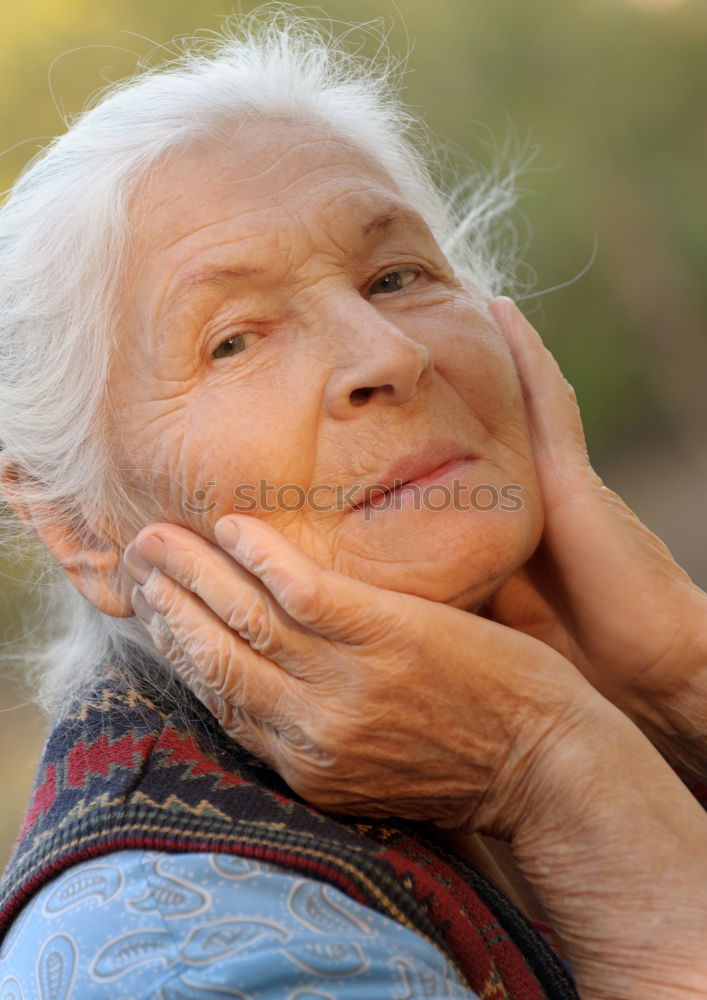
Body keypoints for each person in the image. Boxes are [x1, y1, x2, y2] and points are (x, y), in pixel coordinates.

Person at [0, 11, 706, 999]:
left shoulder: (630, 683)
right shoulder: (177, 952)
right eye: (235, 339)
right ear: (78, 527)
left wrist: (680, 681)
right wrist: (548, 765)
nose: (387, 353)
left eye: (396, 275)